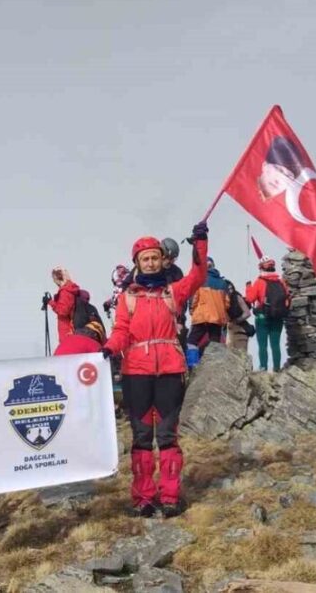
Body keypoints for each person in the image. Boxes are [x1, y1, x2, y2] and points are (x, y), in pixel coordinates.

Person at [102, 221, 209, 518]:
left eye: (154, 257)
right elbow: (121, 330)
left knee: (167, 436)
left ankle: (171, 495)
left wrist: (200, 243)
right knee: (140, 437)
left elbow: (198, 275)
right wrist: (110, 348)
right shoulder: (127, 299)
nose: (150, 263)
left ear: (162, 260)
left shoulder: (173, 293)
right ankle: (143, 498)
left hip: (170, 371)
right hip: (136, 372)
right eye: (144, 258)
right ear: (136, 263)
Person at [245, 257, 290, 371]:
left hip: (262, 317)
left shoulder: (260, 282)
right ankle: (276, 369)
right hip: (278, 317)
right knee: (275, 344)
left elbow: (250, 299)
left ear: (261, 267)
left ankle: (263, 368)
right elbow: (287, 299)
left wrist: (248, 287)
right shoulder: (281, 282)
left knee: (262, 345)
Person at [187, 257, 230, 366]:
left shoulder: (199, 280)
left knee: (192, 341)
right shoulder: (223, 283)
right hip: (217, 318)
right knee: (215, 343)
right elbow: (227, 303)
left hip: (202, 316)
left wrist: (192, 311)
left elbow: (194, 299)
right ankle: (214, 366)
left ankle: (193, 364)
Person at [47, 267, 81, 339]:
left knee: (67, 349)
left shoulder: (65, 291)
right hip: (71, 329)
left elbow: (63, 311)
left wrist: (50, 302)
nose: (54, 281)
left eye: (54, 279)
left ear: (58, 278)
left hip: (67, 331)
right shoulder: (70, 289)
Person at [225, 280, 254, 353]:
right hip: (242, 332)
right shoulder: (237, 296)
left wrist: (234, 321)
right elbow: (247, 313)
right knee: (242, 359)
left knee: (231, 359)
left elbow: (247, 313)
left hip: (235, 331)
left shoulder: (225, 298)